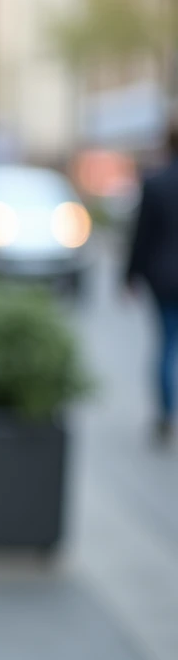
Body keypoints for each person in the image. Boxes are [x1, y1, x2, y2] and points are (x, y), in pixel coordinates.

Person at [126, 125, 178, 445]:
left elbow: (141, 236)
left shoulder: (156, 183)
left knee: (166, 346)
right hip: (164, 277)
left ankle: (165, 416)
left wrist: (129, 275)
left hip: (164, 277)